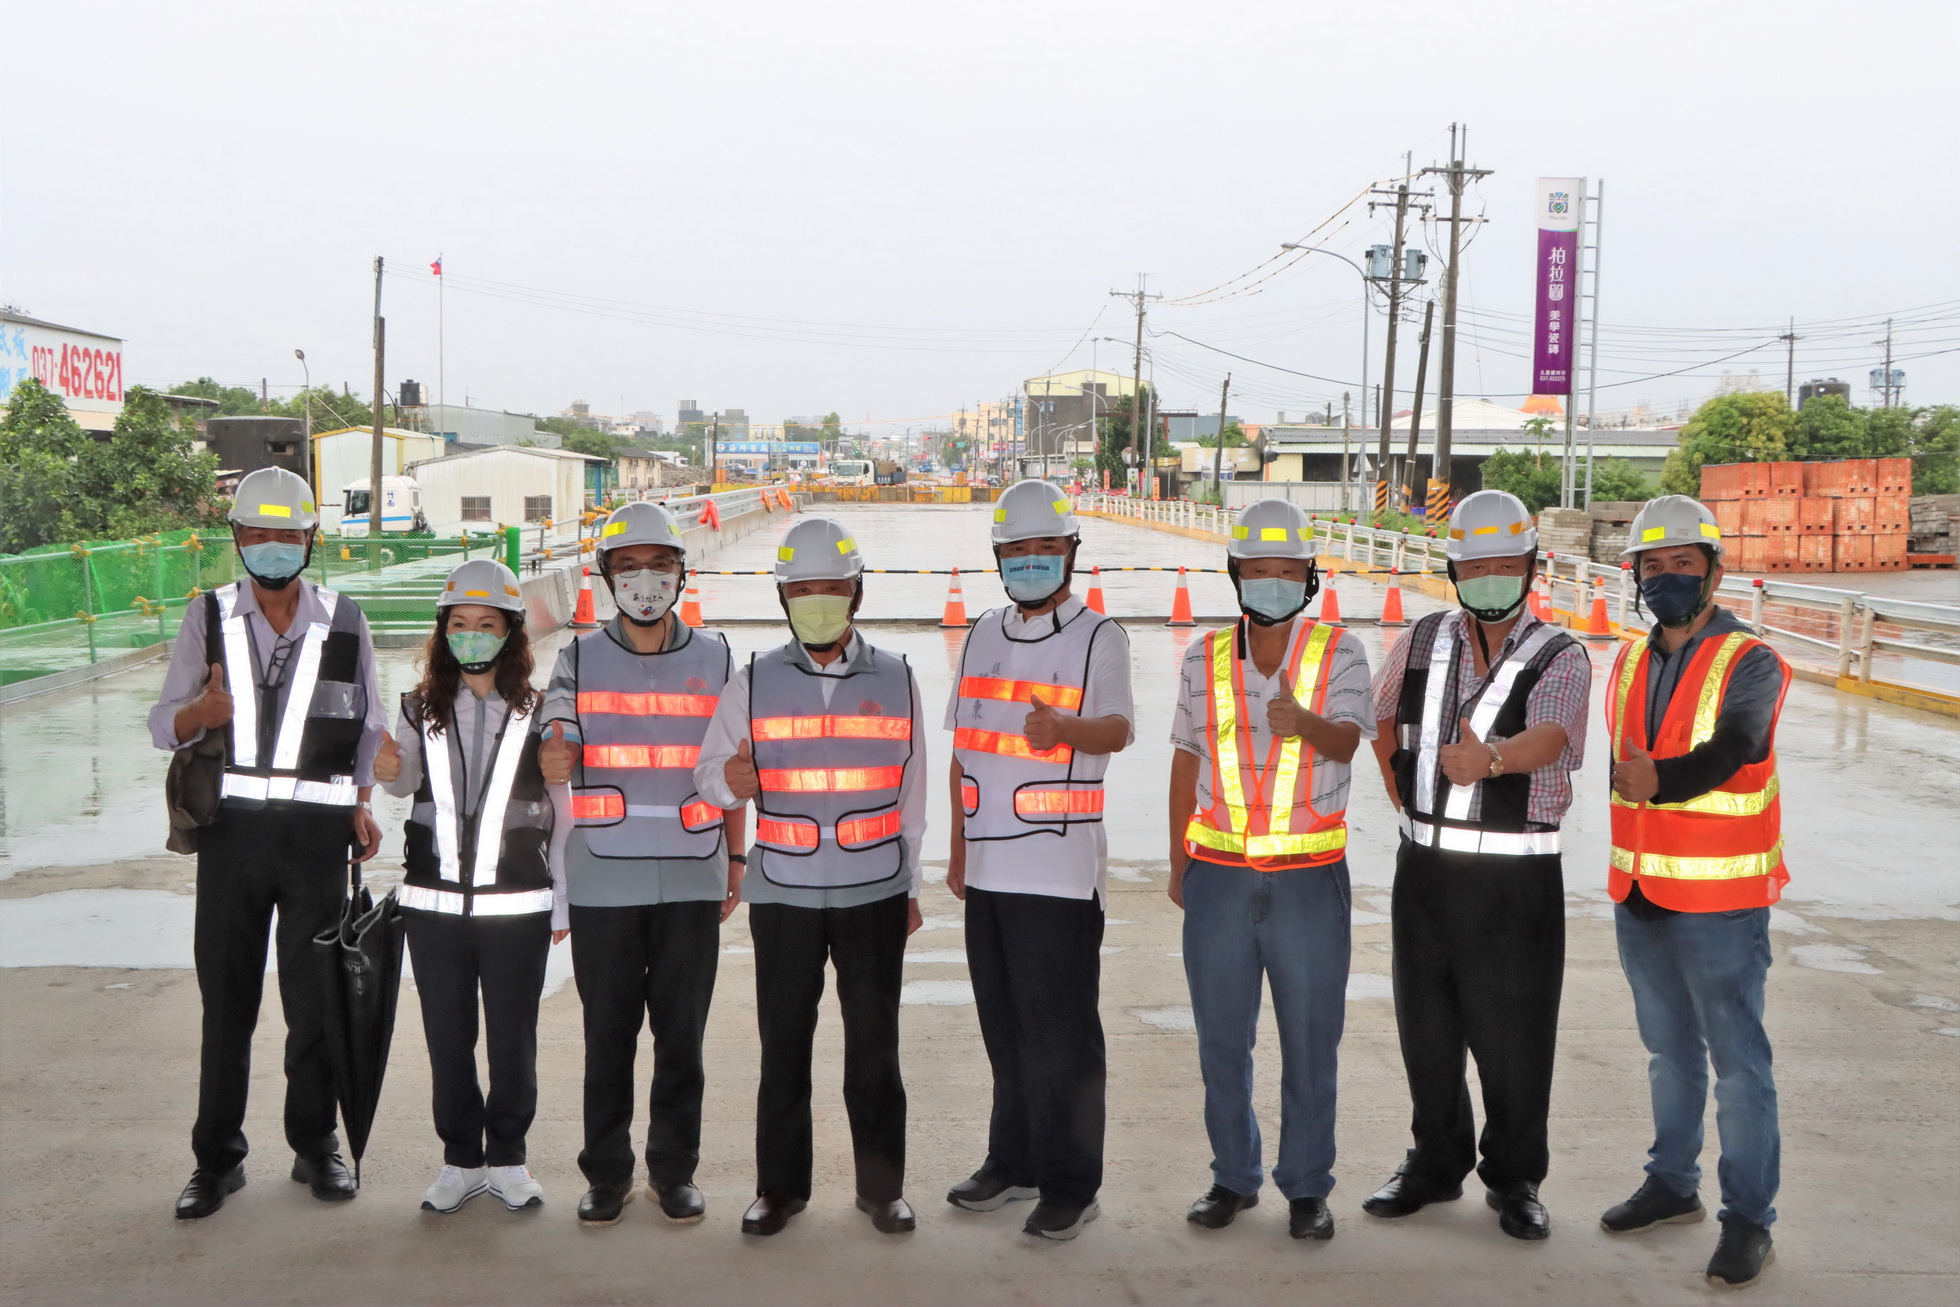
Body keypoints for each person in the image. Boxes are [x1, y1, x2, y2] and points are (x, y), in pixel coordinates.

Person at [148, 467, 386, 1219]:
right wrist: (200, 710)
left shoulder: (345, 620)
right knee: (228, 1003)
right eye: (259, 533)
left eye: (289, 534)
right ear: (238, 539)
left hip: (317, 840)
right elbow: (162, 725)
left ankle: (316, 1146)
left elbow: (369, 724)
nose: (273, 546)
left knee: (312, 1003)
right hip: (232, 839)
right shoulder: (207, 616)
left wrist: (361, 802)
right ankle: (216, 1160)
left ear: (310, 539)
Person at [1363, 488, 1589, 1241]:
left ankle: (1515, 1176)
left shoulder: (1560, 651)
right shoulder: (1422, 639)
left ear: (1531, 566)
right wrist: (1403, 788)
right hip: (1424, 872)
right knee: (1426, 1029)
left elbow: (1554, 734)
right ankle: (1434, 1161)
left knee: (1514, 1038)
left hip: (1515, 884)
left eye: (1505, 564)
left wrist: (1489, 759)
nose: (1491, 577)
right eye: (1475, 565)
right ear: (1454, 570)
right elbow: (1382, 715)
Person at [694, 515, 927, 1237]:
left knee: (875, 1047)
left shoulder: (897, 676)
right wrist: (731, 780)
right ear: (784, 597)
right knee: (784, 1045)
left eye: (832, 587)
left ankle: (882, 1189)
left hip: (874, 891)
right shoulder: (753, 680)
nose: (818, 599)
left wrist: (912, 886)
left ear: (856, 593)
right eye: (804, 589)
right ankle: (779, 1189)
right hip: (785, 894)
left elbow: (913, 791)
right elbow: (708, 779)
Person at [1167, 498, 1373, 1242]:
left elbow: (1349, 743)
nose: (1273, 581)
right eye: (1259, 569)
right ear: (1236, 575)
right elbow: (1185, 758)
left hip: (1308, 882)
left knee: (1311, 1041)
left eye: (1288, 570)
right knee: (1222, 1039)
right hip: (1218, 876)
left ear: (1310, 577)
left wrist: (1303, 723)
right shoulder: (1203, 657)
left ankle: (1308, 1186)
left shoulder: (1339, 651)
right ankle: (1232, 1175)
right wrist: (1176, 860)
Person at [1600, 495, 1790, 1291]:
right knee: (1668, 1053)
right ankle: (1672, 1183)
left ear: (1713, 570)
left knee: (1738, 1064)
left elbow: (1737, 746)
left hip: (1720, 899)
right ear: (1636, 576)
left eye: (1684, 563)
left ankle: (1748, 1219)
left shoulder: (1751, 659)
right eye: (1654, 565)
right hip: (1640, 890)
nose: (1668, 576)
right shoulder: (1629, 657)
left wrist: (1663, 780)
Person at [536, 502, 743, 1226]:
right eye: (629, 567)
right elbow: (554, 721)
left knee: (681, 1036)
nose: (645, 580)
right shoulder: (580, 656)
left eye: (660, 565)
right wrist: (554, 747)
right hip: (605, 876)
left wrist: (737, 857)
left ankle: (673, 1171)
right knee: (608, 1035)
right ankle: (607, 1173)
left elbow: (733, 763)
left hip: (693, 872)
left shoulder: (718, 657)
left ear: (682, 572)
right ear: (607, 577)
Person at [943, 479, 1133, 1242]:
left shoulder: (1099, 636)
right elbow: (965, 748)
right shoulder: (983, 632)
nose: (1030, 562)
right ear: (998, 558)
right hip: (987, 869)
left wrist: (1066, 727)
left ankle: (1071, 1180)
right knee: (1005, 1028)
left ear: (1070, 553)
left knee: (1062, 1036)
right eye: (1016, 551)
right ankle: (1013, 1159)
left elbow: (1117, 729)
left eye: (1044, 549)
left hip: (1057, 870)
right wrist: (957, 852)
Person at [372, 559, 563, 1215]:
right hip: (434, 908)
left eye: (487, 625)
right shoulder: (418, 706)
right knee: (448, 1038)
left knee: (513, 1036)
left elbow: (559, 813)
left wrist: (561, 898)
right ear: (443, 631)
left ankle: (508, 1158)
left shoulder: (540, 712)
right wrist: (386, 767)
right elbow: (400, 787)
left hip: (518, 907)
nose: (472, 635)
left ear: (510, 633)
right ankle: (461, 1159)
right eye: (460, 624)